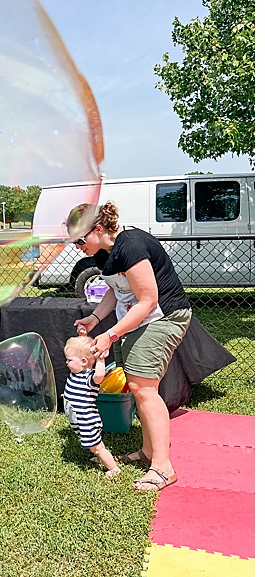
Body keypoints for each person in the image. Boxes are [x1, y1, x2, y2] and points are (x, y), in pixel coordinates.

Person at [69, 201, 191, 492]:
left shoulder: (131, 246)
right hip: (139, 321)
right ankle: (149, 452)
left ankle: (162, 467)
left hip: (163, 317)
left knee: (145, 389)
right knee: (138, 387)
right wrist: (96, 318)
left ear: (97, 230)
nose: (76, 246)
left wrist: (109, 335)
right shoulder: (105, 253)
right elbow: (115, 288)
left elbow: (149, 299)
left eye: (79, 239)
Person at [62, 335, 120, 479]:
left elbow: (99, 376)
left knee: (98, 448)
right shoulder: (75, 374)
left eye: (69, 360)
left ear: (83, 362)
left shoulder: (89, 378)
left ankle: (113, 468)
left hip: (88, 422)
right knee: (94, 447)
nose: (66, 362)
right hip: (80, 422)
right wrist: (82, 336)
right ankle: (101, 458)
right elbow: (83, 348)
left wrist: (100, 359)